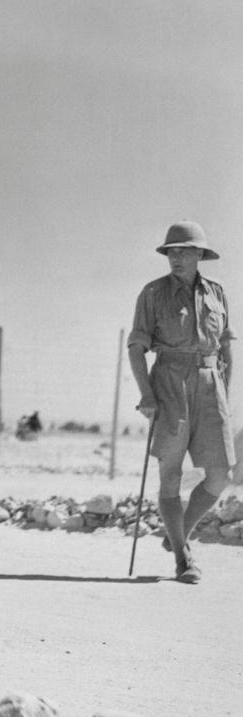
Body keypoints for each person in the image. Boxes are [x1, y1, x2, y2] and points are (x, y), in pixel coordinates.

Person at [127, 220, 234, 585]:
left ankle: (176, 534)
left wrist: (225, 395)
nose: (176, 257)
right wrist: (146, 393)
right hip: (170, 382)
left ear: (200, 255)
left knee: (221, 475)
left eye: (185, 251)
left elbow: (227, 349)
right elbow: (136, 348)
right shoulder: (153, 294)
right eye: (172, 251)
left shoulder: (217, 293)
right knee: (170, 476)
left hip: (210, 385)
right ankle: (182, 559)